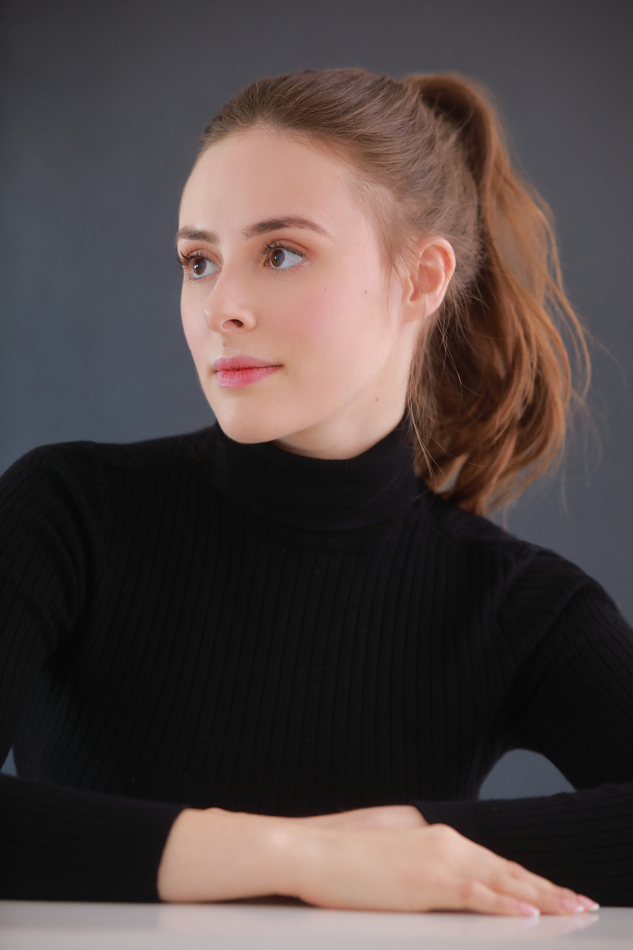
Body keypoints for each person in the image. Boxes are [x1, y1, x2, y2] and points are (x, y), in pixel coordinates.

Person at [1, 66, 631, 916]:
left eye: (281, 253)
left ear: (421, 279)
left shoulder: (517, 605)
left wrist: (415, 843)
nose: (220, 307)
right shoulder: (67, 513)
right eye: (198, 261)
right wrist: (296, 855)